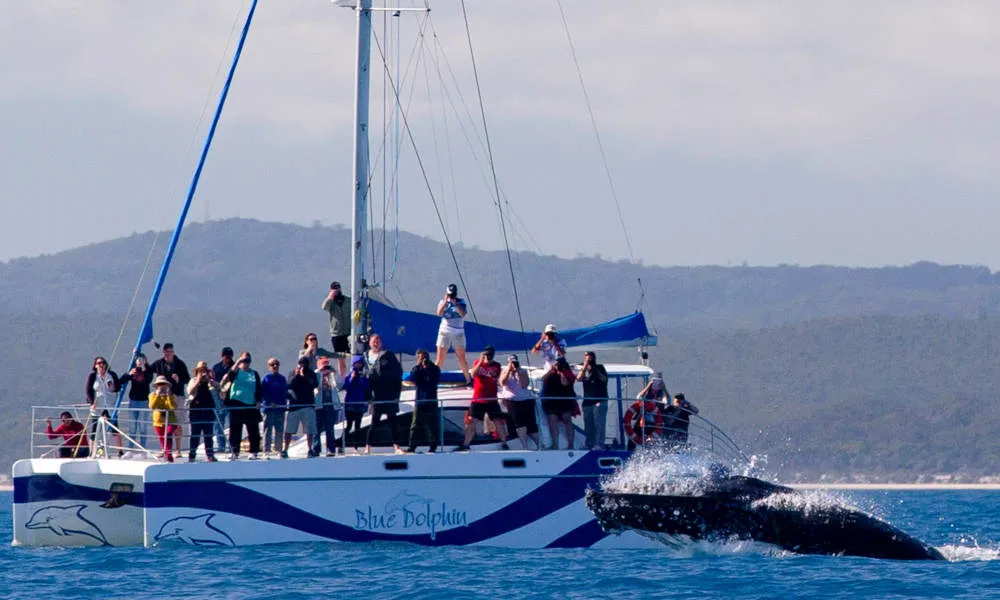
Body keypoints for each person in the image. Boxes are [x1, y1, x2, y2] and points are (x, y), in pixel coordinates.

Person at [456, 346, 508, 451]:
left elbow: (494, 375)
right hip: (478, 399)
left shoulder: (496, 365)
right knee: (472, 422)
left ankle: (504, 443)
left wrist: (488, 365)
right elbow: (473, 374)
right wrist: (480, 362)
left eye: (490, 355)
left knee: (497, 421)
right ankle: (466, 444)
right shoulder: (477, 363)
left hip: (491, 399)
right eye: (487, 354)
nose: (489, 357)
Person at [220, 351, 263, 460]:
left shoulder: (254, 373)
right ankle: (234, 451)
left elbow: (258, 388)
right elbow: (229, 375)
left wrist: (258, 401)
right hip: (237, 404)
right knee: (235, 429)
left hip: (250, 405)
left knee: (253, 430)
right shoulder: (236, 372)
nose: (245, 363)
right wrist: (238, 361)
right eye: (244, 361)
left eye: (247, 361)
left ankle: (254, 451)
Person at [150, 343, 191, 456]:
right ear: (163, 352)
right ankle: (165, 449)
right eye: (166, 352)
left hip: (177, 395)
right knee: (162, 424)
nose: (168, 354)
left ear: (173, 352)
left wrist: (179, 379)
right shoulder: (159, 363)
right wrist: (138, 358)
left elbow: (187, 379)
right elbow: (148, 370)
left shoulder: (180, 364)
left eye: (170, 351)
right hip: (162, 397)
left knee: (177, 423)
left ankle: (177, 449)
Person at [366, 333, 403, 454]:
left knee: (392, 421)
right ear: (369, 343)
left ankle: (396, 446)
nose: (375, 343)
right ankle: (368, 446)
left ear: (381, 343)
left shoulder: (388, 356)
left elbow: (398, 373)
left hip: (388, 394)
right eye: (373, 341)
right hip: (375, 395)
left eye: (378, 340)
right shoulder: (365, 356)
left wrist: (397, 393)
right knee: (374, 422)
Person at [499, 354, 539, 450]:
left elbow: (524, 384)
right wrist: (509, 370)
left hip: (525, 399)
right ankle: (525, 445)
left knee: (531, 423)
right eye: (511, 362)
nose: (514, 364)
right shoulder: (504, 371)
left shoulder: (522, 371)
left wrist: (518, 372)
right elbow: (502, 382)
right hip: (513, 401)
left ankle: (538, 444)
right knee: (519, 423)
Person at [405, 349, 441, 453]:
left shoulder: (434, 368)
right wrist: (419, 366)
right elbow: (412, 378)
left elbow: (435, 379)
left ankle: (433, 446)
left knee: (432, 424)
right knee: (415, 425)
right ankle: (412, 446)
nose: (423, 359)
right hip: (420, 401)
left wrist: (428, 368)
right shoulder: (417, 369)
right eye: (420, 357)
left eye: (424, 357)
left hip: (431, 400)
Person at [85, 356, 121, 456]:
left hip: (110, 405)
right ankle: (91, 452)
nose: (101, 365)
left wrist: (113, 388)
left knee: (115, 428)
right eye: (99, 363)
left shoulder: (111, 375)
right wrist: (92, 403)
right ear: (95, 365)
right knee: (95, 429)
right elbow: (88, 390)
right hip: (98, 406)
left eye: (103, 363)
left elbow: (118, 387)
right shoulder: (93, 376)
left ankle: (120, 451)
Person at [435, 283, 471, 383]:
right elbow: (438, 313)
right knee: (440, 359)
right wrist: (445, 302)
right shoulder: (442, 302)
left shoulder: (461, 302)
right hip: (445, 331)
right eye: (450, 295)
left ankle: (468, 380)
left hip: (458, 332)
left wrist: (455, 304)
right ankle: (434, 379)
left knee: (461, 358)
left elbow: (463, 314)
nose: (452, 297)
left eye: (453, 295)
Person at [284, 356, 318, 459]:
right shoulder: (293, 373)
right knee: (289, 430)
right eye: (300, 364)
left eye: (304, 364)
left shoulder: (311, 374)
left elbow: (314, 385)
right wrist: (297, 375)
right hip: (294, 407)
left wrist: (305, 376)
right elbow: (289, 386)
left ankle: (310, 449)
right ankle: (285, 449)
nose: (302, 366)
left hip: (308, 405)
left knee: (309, 430)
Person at [540, 357, 577, 450]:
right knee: (553, 422)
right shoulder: (551, 374)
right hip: (552, 402)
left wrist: (561, 372)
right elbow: (543, 379)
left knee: (567, 421)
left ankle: (571, 444)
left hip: (565, 401)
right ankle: (555, 445)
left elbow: (565, 383)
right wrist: (552, 370)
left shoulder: (568, 373)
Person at [186, 361, 218, 462]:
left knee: (208, 435)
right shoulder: (193, 380)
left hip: (208, 411)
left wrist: (210, 380)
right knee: (195, 435)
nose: (202, 372)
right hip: (196, 411)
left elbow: (219, 387)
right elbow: (190, 391)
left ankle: (210, 455)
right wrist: (198, 381)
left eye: (204, 370)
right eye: (200, 370)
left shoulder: (209, 381)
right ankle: (192, 455)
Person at [577, 351, 609, 451]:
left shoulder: (600, 368)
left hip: (599, 400)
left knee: (598, 423)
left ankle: (599, 444)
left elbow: (604, 379)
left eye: (590, 358)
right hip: (587, 401)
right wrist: (585, 367)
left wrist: (594, 370)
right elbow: (578, 379)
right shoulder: (583, 369)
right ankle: (589, 443)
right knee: (588, 424)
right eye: (586, 359)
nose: (588, 360)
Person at [312, 356, 344, 457]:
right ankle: (316, 449)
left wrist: (333, 372)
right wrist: (320, 372)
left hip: (331, 406)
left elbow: (340, 384)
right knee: (316, 429)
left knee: (330, 429)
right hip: (319, 406)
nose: (326, 369)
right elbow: (313, 384)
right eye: (324, 366)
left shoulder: (332, 376)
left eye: (327, 366)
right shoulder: (316, 375)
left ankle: (331, 449)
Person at [118, 353, 151, 450]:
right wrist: (129, 374)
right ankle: (130, 449)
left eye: (142, 360)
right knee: (132, 427)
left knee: (143, 428)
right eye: (138, 360)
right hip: (133, 401)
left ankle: (143, 450)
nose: (140, 362)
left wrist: (144, 370)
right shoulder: (133, 371)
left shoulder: (148, 371)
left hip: (144, 402)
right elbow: (120, 381)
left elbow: (147, 381)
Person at [322, 281, 352, 378]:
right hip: (337, 334)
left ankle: (352, 377)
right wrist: (330, 297)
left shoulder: (348, 300)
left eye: (338, 288)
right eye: (334, 288)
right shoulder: (330, 302)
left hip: (348, 332)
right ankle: (343, 378)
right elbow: (324, 307)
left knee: (352, 356)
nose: (336, 290)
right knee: (340, 358)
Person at [260, 357, 288, 458]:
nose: (275, 366)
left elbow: (284, 393)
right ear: (269, 367)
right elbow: (264, 393)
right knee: (267, 430)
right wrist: (270, 403)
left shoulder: (282, 378)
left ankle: (279, 450)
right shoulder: (266, 378)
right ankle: (266, 451)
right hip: (269, 409)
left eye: (277, 364)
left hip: (280, 409)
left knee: (279, 430)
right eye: (272, 365)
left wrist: (282, 404)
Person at [342, 355, 369, 454]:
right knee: (349, 425)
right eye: (356, 363)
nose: (358, 365)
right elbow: (347, 387)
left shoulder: (364, 375)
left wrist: (360, 380)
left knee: (358, 426)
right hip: (350, 404)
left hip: (360, 404)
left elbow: (367, 386)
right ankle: (342, 444)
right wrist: (352, 379)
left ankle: (356, 447)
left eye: (360, 363)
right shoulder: (349, 375)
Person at [148, 375, 178, 462]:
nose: (162, 386)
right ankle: (167, 454)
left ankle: (169, 454)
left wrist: (168, 396)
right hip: (158, 421)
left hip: (171, 420)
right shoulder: (152, 395)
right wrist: (158, 395)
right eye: (159, 384)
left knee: (168, 435)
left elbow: (172, 407)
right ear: (156, 386)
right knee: (162, 439)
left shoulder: (171, 395)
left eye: (163, 384)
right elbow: (152, 406)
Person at [212, 346, 235, 453]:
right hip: (219, 399)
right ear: (222, 356)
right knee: (218, 423)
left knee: (232, 424)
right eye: (226, 356)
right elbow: (214, 381)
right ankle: (221, 446)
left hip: (231, 399)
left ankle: (232, 446)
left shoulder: (235, 368)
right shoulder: (216, 368)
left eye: (230, 357)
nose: (228, 359)